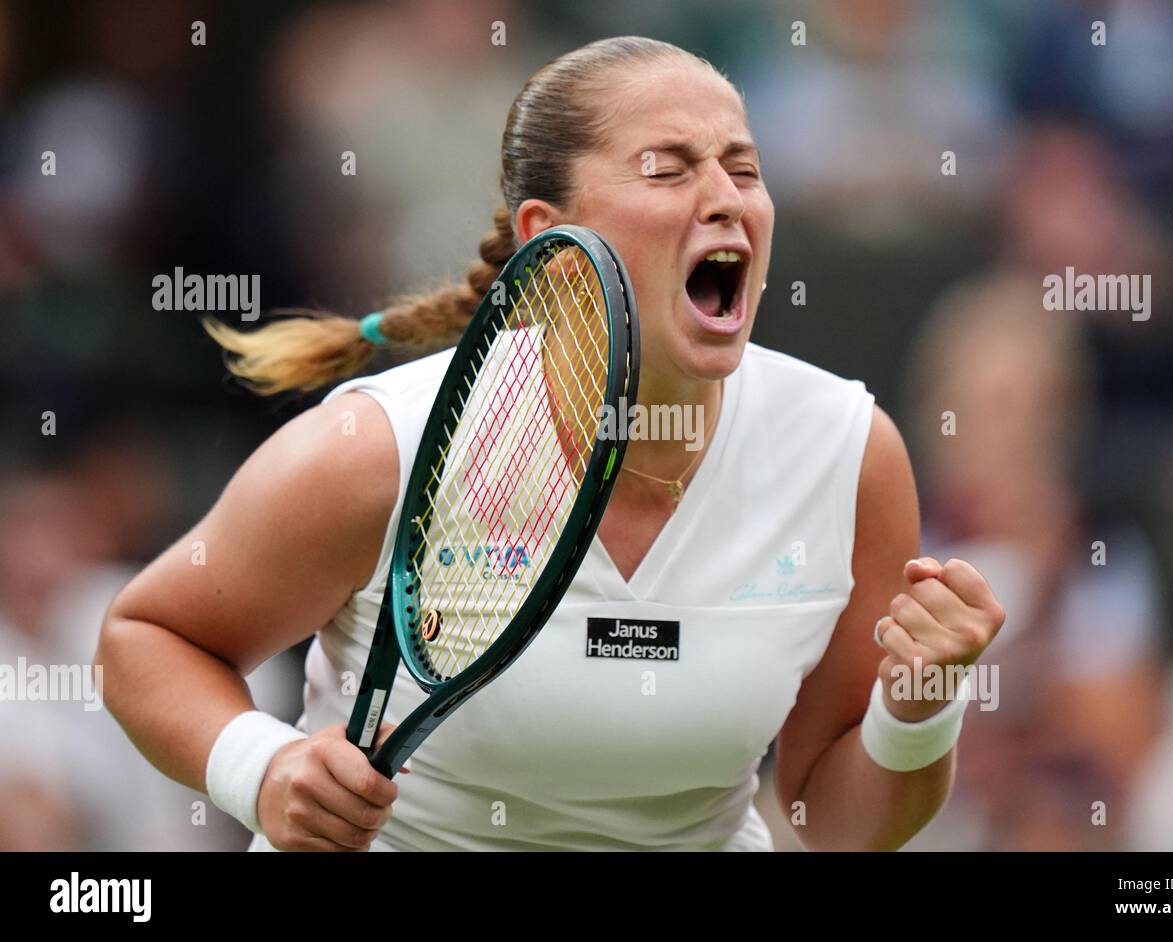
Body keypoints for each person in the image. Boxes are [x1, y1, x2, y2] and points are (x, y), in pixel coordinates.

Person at [96, 36, 1005, 852]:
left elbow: (839, 826)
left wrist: (917, 711)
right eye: (668, 169)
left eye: (744, 169)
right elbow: (146, 637)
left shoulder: (848, 455)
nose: (727, 200)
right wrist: (261, 769)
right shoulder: (381, 446)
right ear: (548, 236)